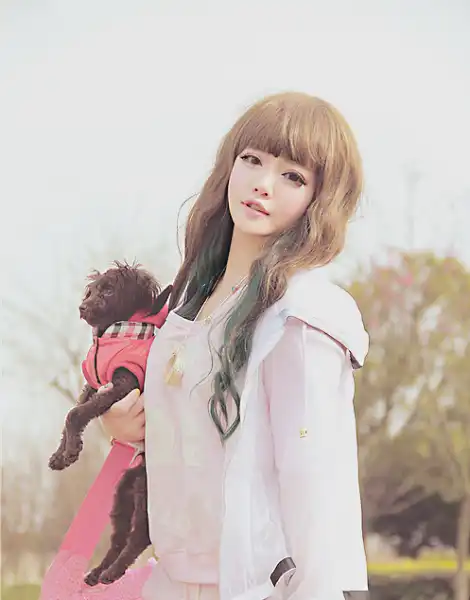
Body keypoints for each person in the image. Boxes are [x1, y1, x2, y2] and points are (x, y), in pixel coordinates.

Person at [101, 91, 370, 600]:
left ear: (321, 198)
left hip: (257, 588)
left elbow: (315, 480)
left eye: (293, 176)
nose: (263, 184)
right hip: (168, 583)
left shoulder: (300, 315)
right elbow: (196, 443)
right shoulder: (188, 305)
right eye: (253, 160)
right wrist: (125, 427)